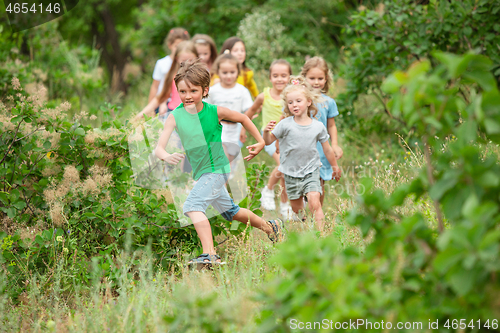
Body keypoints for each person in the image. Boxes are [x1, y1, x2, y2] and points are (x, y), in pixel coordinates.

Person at [154, 59, 283, 265]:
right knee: (231, 212)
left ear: (205, 90)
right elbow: (159, 147)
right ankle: (271, 227)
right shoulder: (175, 116)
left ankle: (210, 254)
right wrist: (166, 155)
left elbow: (243, 118)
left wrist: (260, 141)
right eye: (183, 91)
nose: (188, 96)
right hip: (202, 172)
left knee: (193, 206)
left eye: (193, 91)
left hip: (217, 169)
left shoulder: (214, 111)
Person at [263, 76, 341, 233]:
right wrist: (266, 132)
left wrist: (335, 166)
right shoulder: (285, 124)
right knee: (297, 211)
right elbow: (269, 141)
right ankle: (307, 226)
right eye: (290, 102)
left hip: (311, 171)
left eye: (298, 101)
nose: (294, 105)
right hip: (290, 174)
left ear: (308, 102)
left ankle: (320, 236)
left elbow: (327, 149)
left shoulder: (318, 126)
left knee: (314, 201)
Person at [241, 59, 292, 218]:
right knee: (283, 166)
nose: (279, 79)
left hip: (289, 140)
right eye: (275, 75)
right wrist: (243, 128)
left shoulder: (292, 96)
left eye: (283, 75)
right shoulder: (264, 96)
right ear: (270, 77)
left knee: (286, 173)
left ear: (290, 77)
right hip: (270, 138)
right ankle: (268, 190)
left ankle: (285, 205)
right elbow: (249, 113)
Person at [301, 56, 343, 205]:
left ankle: (317, 215)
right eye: (312, 78)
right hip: (301, 148)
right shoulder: (299, 100)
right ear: (304, 78)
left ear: (326, 79)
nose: (316, 82)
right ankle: (299, 210)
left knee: (319, 184)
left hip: (320, 150)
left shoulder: (328, 102)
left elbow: (331, 125)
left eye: (320, 78)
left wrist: (335, 144)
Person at [205, 53, 253, 163]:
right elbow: (206, 110)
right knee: (222, 161)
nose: (228, 76)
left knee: (230, 164)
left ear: (238, 72)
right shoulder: (213, 90)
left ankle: (225, 179)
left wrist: (243, 129)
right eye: (225, 72)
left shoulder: (242, 91)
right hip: (218, 130)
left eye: (232, 72)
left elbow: (248, 111)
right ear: (218, 72)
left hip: (235, 130)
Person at [135, 41, 198, 122]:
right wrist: (142, 114)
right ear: (177, 59)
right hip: (173, 112)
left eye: (190, 60)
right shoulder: (173, 75)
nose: (187, 63)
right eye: (183, 60)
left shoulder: (201, 76)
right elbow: (161, 97)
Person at [148, 28, 190, 102]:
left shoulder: (188, 62)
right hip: (163, 101)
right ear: (170, 45)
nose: (178, 49)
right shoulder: (162, 63)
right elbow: (155, 86)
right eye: (176, 46)